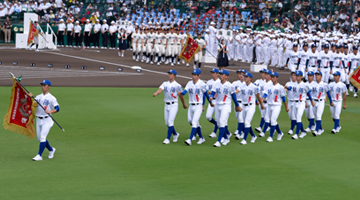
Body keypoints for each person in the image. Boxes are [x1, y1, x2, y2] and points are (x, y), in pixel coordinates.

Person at [28, 80, 59, 161]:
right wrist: (30, 98)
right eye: (42, 85)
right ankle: (51, 150)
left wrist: (50, 111)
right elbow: (33, 106)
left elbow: (57, 108)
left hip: (47, 120)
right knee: (40, 139)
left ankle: (39, 155)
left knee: (42, 137)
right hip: (39, 119)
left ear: (49, 87)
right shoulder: (38, 97)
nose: (43, 87)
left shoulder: (52, 98)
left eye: (45, 85)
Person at [209, 70, 241, 147]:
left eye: (223, 74)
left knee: (222, 121)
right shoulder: (216, 84)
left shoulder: (229, 85)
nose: (221, 75)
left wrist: (237, 105)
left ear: (227, 76)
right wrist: (211, 96)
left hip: (226, 105)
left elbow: (233, 97)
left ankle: (218, 141)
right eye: (220, 74)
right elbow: (213, 92)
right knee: (219, 123)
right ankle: (226, 138)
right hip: (218, 105)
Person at [153, 69, 186, 144]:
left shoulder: (177, 85)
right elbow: (160, 90)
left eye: (171, 74)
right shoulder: (165, 83)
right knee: (167, 123)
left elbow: (181, 95)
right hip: (166, 104)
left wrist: (183, 104)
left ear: (174, 76)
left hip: (174, 104)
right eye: (169, 74)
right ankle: (175, 134)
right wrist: (156, 93)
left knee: (170, 122)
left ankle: (167, 139)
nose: (169, 75)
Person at [180, 68, 211, 145]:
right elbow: (185, 92)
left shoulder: (202, 84)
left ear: (199, 75)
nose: (193, 76)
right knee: (191, 121)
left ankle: (190, 140)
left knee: (194, 122)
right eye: (192, 75)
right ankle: (201, 137)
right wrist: (181, 92)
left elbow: (206, 94)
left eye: (195, 75)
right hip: (191, 106)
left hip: (198, 106)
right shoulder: (189, 83)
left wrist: (210, 102)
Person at [286, 70, 315, 140]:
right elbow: (291, 88)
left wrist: (311, 101)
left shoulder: (305, 85)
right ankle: (303, 132)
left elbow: (308, 93)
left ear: (301, 77)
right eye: (296, 75)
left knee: (298, 118)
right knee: (297, 118)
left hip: (301, 103)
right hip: (295, 103)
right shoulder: (294, 84)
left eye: (298, 76)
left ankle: (296, 134)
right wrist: (287, 87)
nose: (296, 77)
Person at [237, 72, 264, 145]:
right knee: (246, 122)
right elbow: (237, 91)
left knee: (246, 122)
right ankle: (253, 136)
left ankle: (244, 139)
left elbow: (258, 97)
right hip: (243, 105)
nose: (245, 77)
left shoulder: (254, 87)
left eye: (246, 77)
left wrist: (261, 105)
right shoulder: (242, 85)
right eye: (244, 76)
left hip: (251, 106)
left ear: (250, 78)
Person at [262, 72, 289, 142]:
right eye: (272, 77)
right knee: (271, 120)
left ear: (277, 78)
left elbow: (283, 98)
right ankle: (280, 133)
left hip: (277, 106)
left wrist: (286, 107)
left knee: (273, 121)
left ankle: (270, 137)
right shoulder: (268, 86)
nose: (272, 78)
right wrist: (261, 100)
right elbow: (265, 94)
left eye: (274, 77)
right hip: (269, 105)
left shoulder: (280, 87)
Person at [311, 71, 334, 136]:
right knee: (315, 117)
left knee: (318, 116)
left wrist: (331, 101)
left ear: (321, 76)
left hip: (321, 101)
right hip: (314, 101)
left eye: (318, 75)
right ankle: (321, 129)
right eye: (316, 75)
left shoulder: (324, 84)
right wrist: (311, 101)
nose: (317, 76)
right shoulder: (313, 84)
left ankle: (316, 131)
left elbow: (328, 93)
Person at [206, 68, 220, 138]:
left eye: (214, 73)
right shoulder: (209, 82)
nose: (212, 74)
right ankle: (217, 125)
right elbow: (206, 90)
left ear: (217, 74)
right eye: (212, 73)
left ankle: (214, 132)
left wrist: (211, 92)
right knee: (208, 117)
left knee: (217, 118)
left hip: (218, 101)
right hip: (211, 101)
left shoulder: (220, 82)